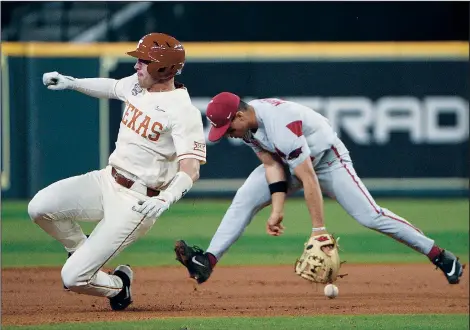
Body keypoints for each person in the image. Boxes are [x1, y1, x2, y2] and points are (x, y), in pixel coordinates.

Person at [174, 92, 464, 286]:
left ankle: (438, 254)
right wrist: (277, 209)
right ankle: (207, 260)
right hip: (291, 164)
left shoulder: (279, 125)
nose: (229, 136)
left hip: (328, 162)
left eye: (228, 130)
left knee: (370, 215)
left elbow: (309, 178)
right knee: (244, 199)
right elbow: (272, 165)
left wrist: (318, 231)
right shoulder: (249, 128)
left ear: (238, 116)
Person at [28, 33, 206, 311]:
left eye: (142, 61)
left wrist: (166, 198)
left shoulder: (183, 111)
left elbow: (191, 168)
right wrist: (72, 83)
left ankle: (119, 285)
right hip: (106, 180)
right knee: (39, 207)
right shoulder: (137, 85)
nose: (136, 66)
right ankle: (79, 248)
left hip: (136, 203)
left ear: (162, 68)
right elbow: (111, 87)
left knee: (72, 277)